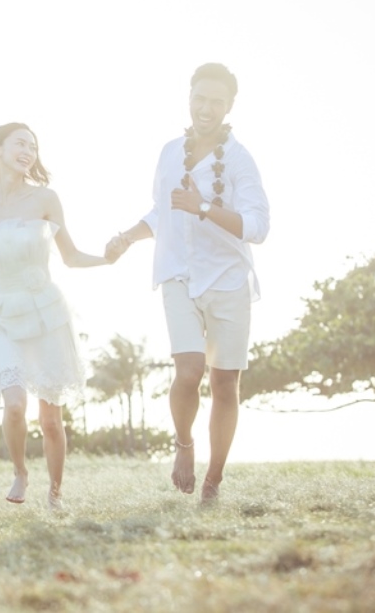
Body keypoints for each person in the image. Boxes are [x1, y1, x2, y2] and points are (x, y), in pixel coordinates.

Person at [106, 62, 270, 504]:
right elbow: (162, 211)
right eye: (200, 98)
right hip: (177, 273)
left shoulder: (239, 160)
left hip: (228, 279)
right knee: (188, 371)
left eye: (217, 101)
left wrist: (204, 208)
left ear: (229, 106)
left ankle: (213, 481)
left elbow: (258, 225)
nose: (206, 107)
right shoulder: (168, 152)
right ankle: (184, 445)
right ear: (189, 98)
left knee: (223, 384)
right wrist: (127, 236)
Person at [0, 122, 110, 510]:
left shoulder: (46, 199)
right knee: (15, 403)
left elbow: (70, 257)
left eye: (33, 147)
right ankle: (20, 471)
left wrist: (107, 257)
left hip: (45, 313)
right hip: (0, 312)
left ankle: (56, 493)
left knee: (51, 420)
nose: (28, 151)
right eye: (20, 143)